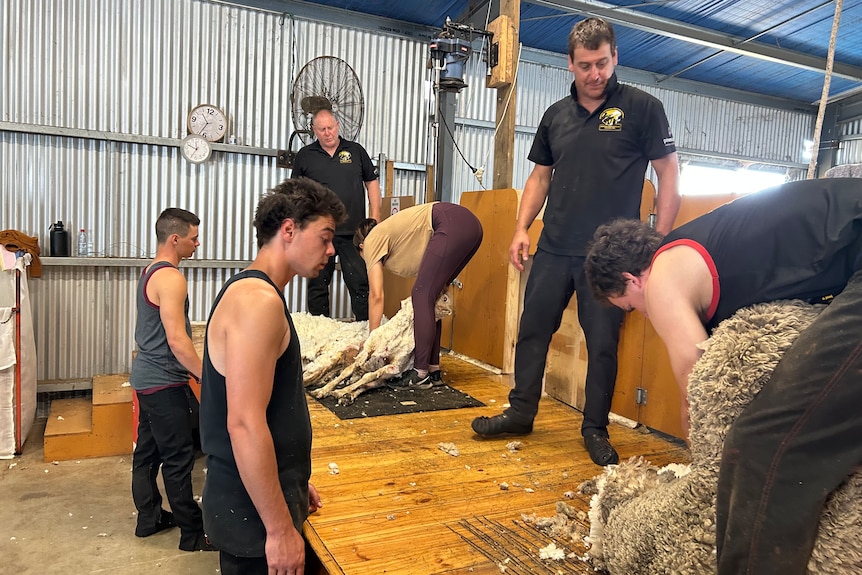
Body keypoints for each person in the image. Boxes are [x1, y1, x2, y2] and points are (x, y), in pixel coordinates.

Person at [583, 177, 862, 574]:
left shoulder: (662, 280)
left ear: (631, 279)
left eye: (630, 306)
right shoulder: (703, 246)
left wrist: (703, 473)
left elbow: (697, 392)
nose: (643, 315)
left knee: (762, 448)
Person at [470, 16, 680, 466]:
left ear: (615, 57)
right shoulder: (555, 117)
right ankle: (521, 411)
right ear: (570, 64)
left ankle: (595, 427)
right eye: (585, 65)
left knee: (602, 343)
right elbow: (539, 176)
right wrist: (522, 226)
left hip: (610, 257)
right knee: (532, 331)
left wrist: (658, 241)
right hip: (555, 246)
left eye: (602, 63)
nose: (595, 74)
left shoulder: (643, 108)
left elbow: (668, 173)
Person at [200, 177, 346, 575]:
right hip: (254, 524)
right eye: (325, 237)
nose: (331, 251)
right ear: (288, 230)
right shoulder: (258, 302)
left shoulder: (254, 293)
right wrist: (280, 527)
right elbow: (244, 424)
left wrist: (291, 482)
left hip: (258, 504)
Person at [129, 207, 216, 552]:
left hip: (145, 379)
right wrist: (205, 377)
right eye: (194, 238)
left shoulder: (150, 271)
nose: (198, 243)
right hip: (165, 382)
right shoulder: (172, 279)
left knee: (147, 454)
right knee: (179, 458)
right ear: (175, 239)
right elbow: (178, 340)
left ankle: (148, 519)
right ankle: (192, 535)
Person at [353, 201, 483, 387]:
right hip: (470, 226)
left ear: (361, 247)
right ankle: (432, 369)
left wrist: (373, 343)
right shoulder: (395, 237)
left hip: (450, 221)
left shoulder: (372, 240)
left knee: (420, 295)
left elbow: (376, 295)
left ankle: (419, 374)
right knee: (431, 298)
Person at [292, 107, 381, 321]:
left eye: (330, 128)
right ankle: (320, 330)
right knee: (317, 284)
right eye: (321, 129)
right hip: (319, 234)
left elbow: (372, 183)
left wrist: (375, 219)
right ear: (314, 130)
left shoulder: (356, 151)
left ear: (338, 126)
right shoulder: (305, 156)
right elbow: (295, 192)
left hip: (353, 232)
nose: (327, 133)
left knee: (360, 283)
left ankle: (365, 329)